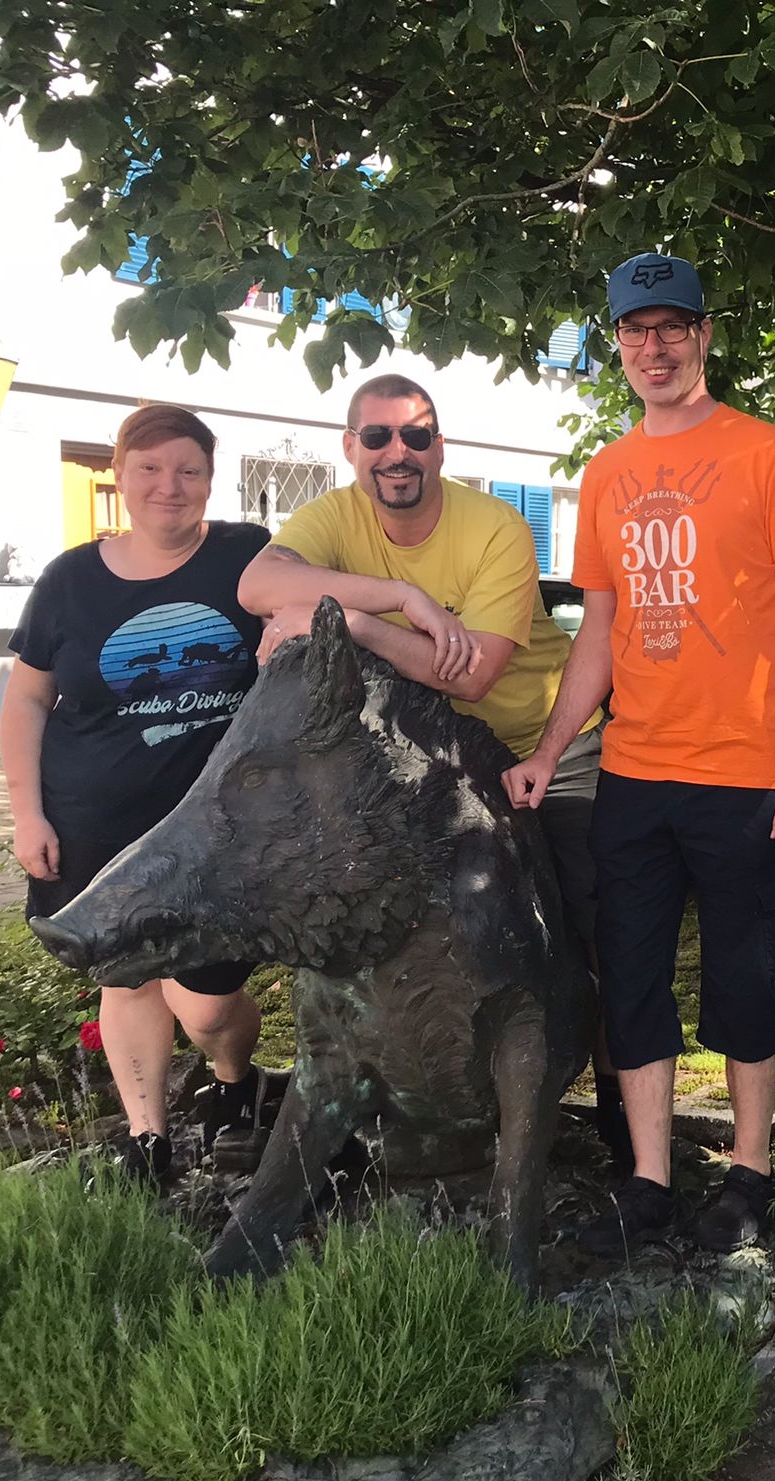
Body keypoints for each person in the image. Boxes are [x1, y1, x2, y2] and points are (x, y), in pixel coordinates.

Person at [505, 252, 775, 1255]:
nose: (653, 347)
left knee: (742, 983)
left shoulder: (768, 456)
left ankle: (749, 1173)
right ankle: (648, 1184)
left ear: (703, 336)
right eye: (634, 331)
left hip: (747, 778)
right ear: (617, 345)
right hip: (634, 776)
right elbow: (600, 633)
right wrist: (551, 748)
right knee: (632, 980)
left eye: (671, 328)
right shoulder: (608, 473)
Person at [235, 375, 623, 1163]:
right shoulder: (332, 517)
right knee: (383, 926)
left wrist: (354, 622)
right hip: (426, 766)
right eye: (377, 437)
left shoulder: (496, 527)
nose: (397, 453)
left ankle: (620, 1108)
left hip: (541, 745)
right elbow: (256, 586)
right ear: (351, 447)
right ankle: (379, 1100)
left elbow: (473, 676)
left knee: (598, 929)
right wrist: (400, 597)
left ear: (440, 448)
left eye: (416, 436)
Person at [3, 405, 271, 1189]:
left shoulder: (246, 557)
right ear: (119, 474)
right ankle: (147, 1140)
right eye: (149, 468)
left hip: (219, 833)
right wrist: (27, 812)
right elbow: (26, 700)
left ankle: (233, 1079)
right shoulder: (69, 582)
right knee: (127, 980)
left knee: (207, 1004)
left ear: (210, 480)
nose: (169, 486)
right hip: (96, 824)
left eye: (189, 470)